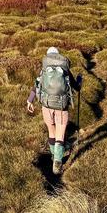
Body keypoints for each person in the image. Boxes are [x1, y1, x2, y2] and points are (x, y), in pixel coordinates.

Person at [26, 46, 82, 174]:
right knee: (60, 134)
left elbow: (36, 86)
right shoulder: (65, 70)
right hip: (61, 107)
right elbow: (77, 87)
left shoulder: (45, 69)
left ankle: (53, 156)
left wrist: (30, 100)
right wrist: (79, 80)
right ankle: (57, 163)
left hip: (47, 106)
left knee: (52, 131)